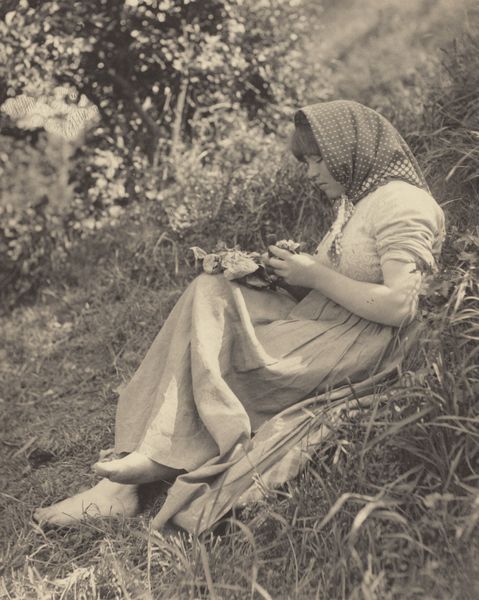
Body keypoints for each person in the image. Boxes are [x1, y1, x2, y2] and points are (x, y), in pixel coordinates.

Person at [34, 100, 445, 532]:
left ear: (350, 149)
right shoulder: (357, 201)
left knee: (217, 331)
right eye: (306, 162)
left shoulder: (402, 203)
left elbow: (401, 306)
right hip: (328, 319)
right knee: (212, 290)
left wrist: (315, 275)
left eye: (317, 160)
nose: (310, 173)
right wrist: (278, 272)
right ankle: (132, 471)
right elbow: (340, 276)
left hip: (361, 344)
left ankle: (149, 465)